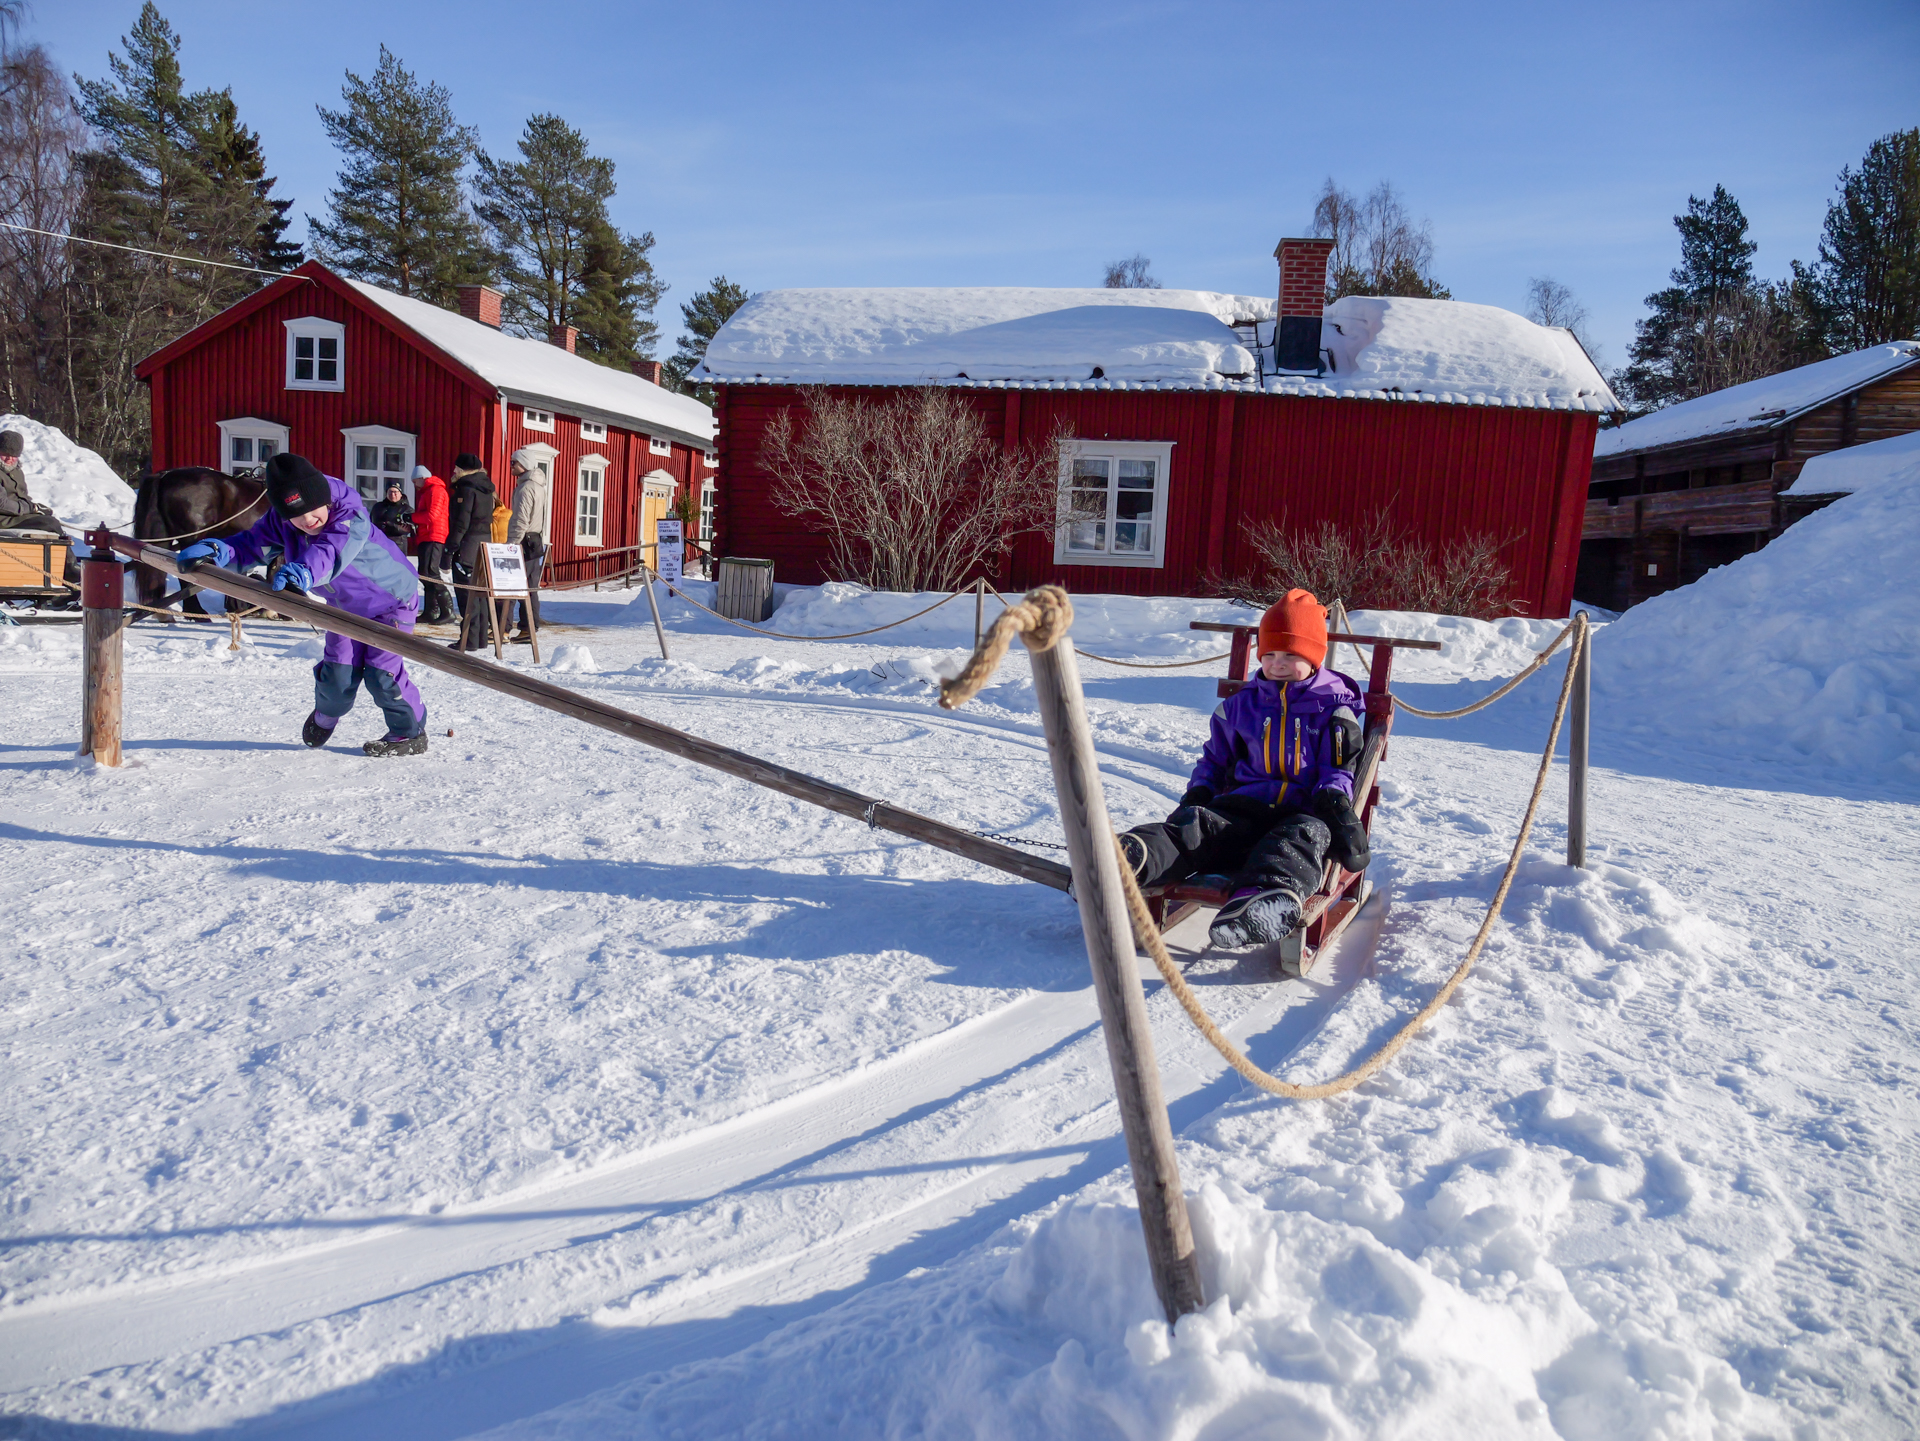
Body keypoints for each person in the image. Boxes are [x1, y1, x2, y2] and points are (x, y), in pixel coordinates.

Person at [1119, 590, 1371, 949]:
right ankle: (1134, 858)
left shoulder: (1333, 710)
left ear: (1315, 657)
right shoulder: (1239, 707)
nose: (1277, 663)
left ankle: (1263, 900)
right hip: (1242, 810)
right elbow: (1215, 760)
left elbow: (1338, 768)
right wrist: (1200, 792)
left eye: (1290, 654)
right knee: (1196, 826)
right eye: (1269, 654)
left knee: (1300, 840)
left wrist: (1336, 806)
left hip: (1301, 811)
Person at [174, 453, 429, 757]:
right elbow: (251, 546)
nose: (307, 521)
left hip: (393, 604)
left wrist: (305, 572)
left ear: (324, 498)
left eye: (312, 509)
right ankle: (326, 715)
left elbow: (333, 549)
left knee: (381, 674)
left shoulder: (350, 515)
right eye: (296, 515)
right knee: (337, 673)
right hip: (344, 606)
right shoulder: (283, 522)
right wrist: (220, 550)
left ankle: (409, 731)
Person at [444, 452, 496, 651]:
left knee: (467, 595)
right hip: (483, 545)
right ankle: (480, 638)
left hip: (467, 547)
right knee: (480, 594)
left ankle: (469, 639)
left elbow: (461, 523)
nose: (454, 471)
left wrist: (449, 550)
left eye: (457, 468)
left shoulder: (465, 489)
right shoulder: (486, 489)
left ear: (463, 469)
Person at [504, 447, 549, 641]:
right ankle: (529, 628)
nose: (511, 465)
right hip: (535, 540)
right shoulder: (538, 486)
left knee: (511, 586)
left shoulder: (525, 488)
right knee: (530, 588)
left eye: (514, 462)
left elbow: (520, 520)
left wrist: (511, 545)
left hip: (523, 541)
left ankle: (502, 630)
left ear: (524, 464)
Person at [409, 463, 453, 625]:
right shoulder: (430, 491)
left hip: (434, 535)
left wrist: (412, 518)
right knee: (425, 572)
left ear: (422, 478)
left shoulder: (435, 490)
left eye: (415, 482)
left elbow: (432, 515)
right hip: (427, 534)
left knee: (431, 572)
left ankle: (447, 610)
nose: (414, 485)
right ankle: (430, 610)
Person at [0, 430, 62, 538]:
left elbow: (22, 496)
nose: (9, 459)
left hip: (16, 516)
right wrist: (30, 508)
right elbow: (2, 504)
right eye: (5, 454)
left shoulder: (17, 472)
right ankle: (67, 555)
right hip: (4, 519)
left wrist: (37, 508)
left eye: (14, 455)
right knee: (50, 524)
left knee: (50, 521)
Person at [369, 480, 416, 546]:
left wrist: (390, 526)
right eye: (390, 492)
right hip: (379, 543)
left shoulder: (406, 509)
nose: (393, 494)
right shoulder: (378, 507)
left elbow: (411, 529)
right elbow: (371, 523)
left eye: (395, 492)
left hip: (398, 544)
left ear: (400, 493)